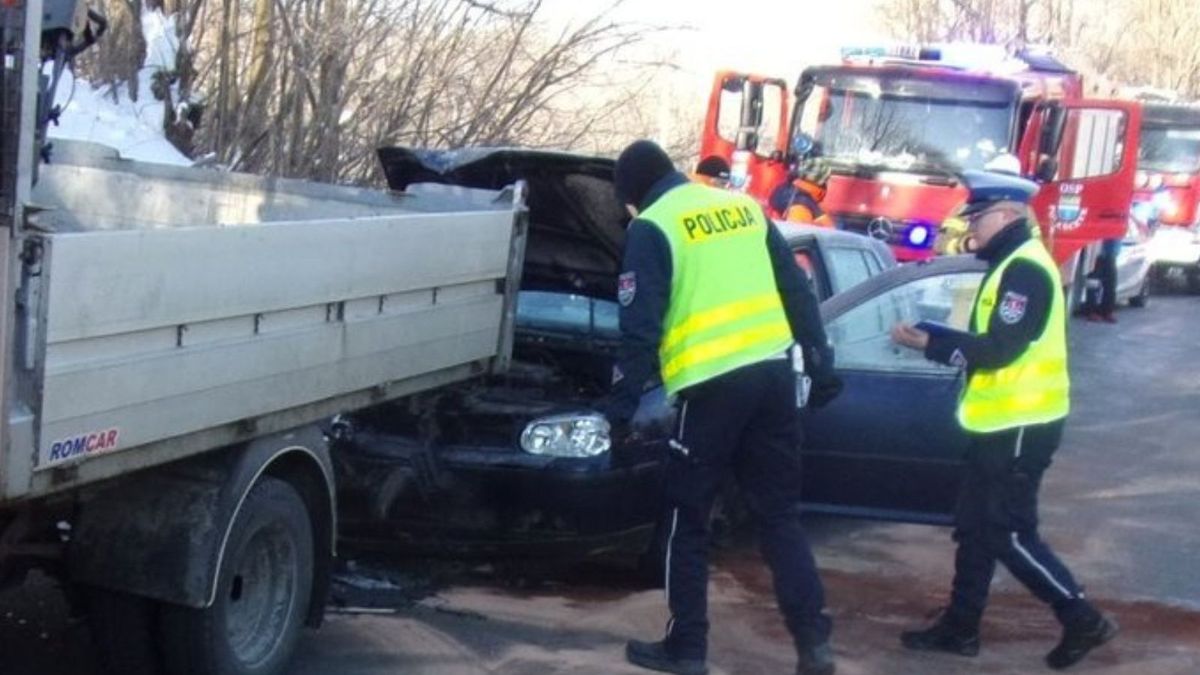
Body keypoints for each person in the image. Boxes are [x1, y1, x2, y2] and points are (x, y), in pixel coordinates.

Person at [606, 140, 843, 675]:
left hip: (712, 387)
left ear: (633, 194)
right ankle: (813, 644)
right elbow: (796, 290)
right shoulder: (742, 207)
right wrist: (820, 362)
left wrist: (620, 410)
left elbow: (639, 329)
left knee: (686, 519)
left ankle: (687, 647)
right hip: (774, 376)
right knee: (779, 517)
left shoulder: (652, 225)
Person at [890, 170, 1118, 671]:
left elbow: (999, 349)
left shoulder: (1024, 269)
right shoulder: (1010, 264)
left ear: (1008, 215)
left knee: (1007, 532)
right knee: (975, 528)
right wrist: (938, 337)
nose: (971, 227)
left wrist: (931, 344)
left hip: (1020, 423)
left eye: (979, 217)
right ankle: (960, 628)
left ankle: (1081, 616)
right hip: (1000, 423)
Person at [769, 157, 835, 226]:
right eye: (826, 180)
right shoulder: (802, 206)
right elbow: (797, 230)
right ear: (821, 181)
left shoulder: (783, 191)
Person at [1081, 238, 1120, 323]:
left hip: (1110, 251)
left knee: (1110, 283)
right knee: (1093, 283)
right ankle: (1091, 311)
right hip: (1095, 251)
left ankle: (1107, 311)